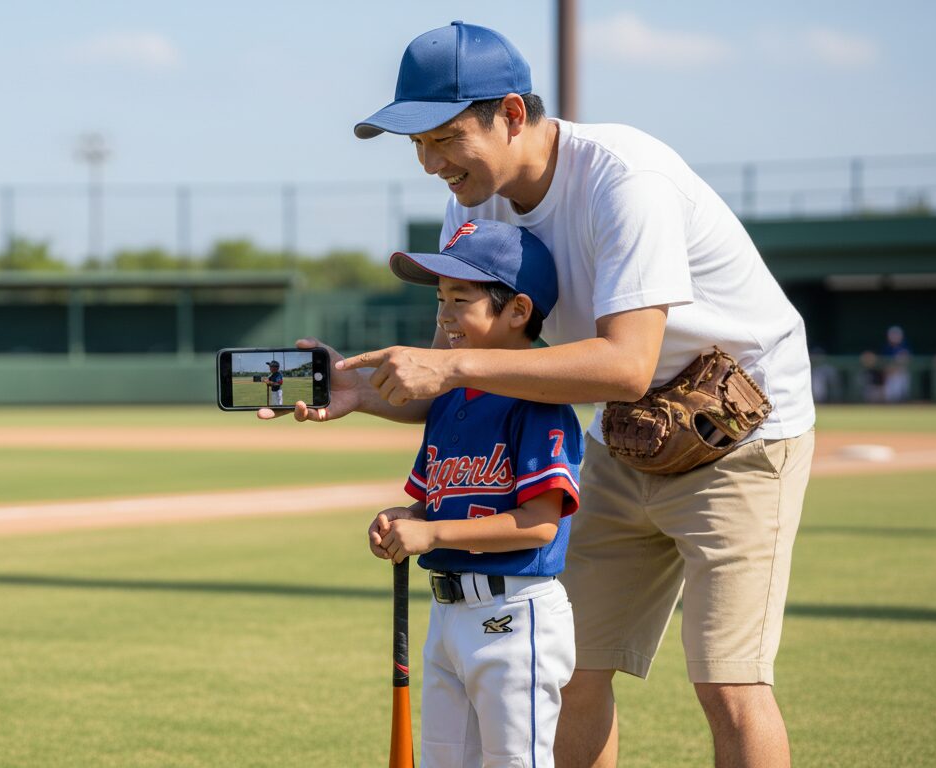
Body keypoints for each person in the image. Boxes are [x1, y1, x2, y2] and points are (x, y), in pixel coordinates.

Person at [265, 21, 816, 768]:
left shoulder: (627, 180)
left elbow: (625, 361)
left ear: (513, 115)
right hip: (626, 433)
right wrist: (359, 390)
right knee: (572, 670)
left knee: (728, 683)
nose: (430, 164)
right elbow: (451, 375)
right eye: (417, 145)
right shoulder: (471, 204)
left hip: (743, 431)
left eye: (444, 137)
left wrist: (451, 371)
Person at [367, 218, 583, 768]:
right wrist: (408, 517)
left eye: (460, 298)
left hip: (514, 614)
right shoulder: (450, 398)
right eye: (440, 298)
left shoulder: (539, 401)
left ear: (516, 311)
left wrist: (431, 530)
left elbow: (539, 523)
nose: (443, 314)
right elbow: (437, 500)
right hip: (447, 614)